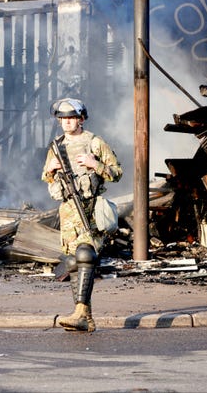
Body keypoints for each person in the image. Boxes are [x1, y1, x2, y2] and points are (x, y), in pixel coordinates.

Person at [42, 97, 122, 332]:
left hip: (89, 208)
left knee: (86, 254)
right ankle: (84, 316)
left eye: (71, 118)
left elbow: (116, 173)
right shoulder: (56, 146)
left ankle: (80, 313)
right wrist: (50, 170)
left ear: (81, 119)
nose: (67, 123)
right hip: (68, 211)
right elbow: (47, 177)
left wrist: (93, 163)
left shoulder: (95, 143)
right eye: (63, 119)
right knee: (72, 262)